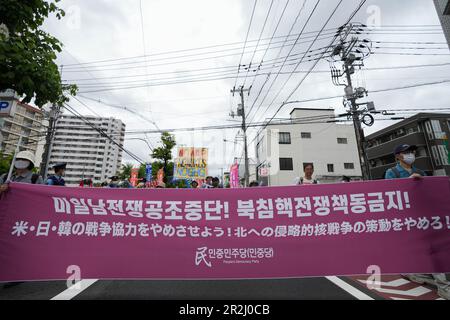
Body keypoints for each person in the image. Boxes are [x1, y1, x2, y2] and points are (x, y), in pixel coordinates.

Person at [386, 144, 449, 300]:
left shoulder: (421, 172)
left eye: (412, 151)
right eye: (406, 152)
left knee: (432, 249)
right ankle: (419, 275)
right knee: (418, 251)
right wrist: (407, 182)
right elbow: (389, 193)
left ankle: (441, 285)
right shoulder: (391, 172)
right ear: (398, 156)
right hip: (405, 220)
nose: (411, 154)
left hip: (423, 218)